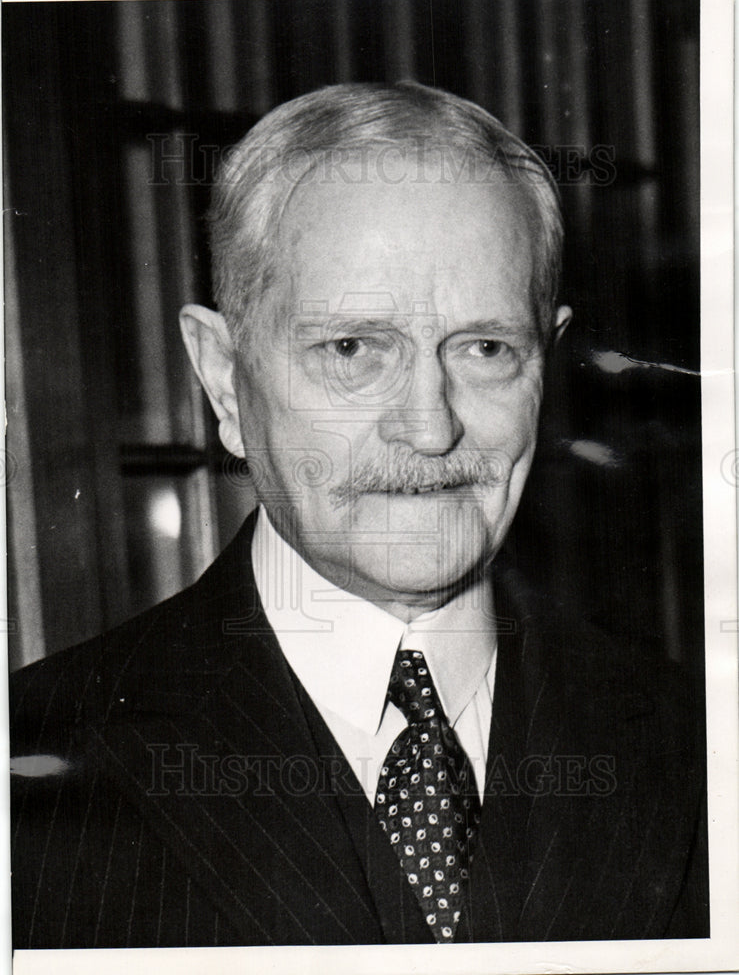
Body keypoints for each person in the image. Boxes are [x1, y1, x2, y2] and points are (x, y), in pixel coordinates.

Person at [10, 83, 708, 948]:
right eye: (351, 348)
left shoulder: (700, 742)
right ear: (223, 376)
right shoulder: (30, 772)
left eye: (485, 348)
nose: (429, 424)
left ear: (548, 365)